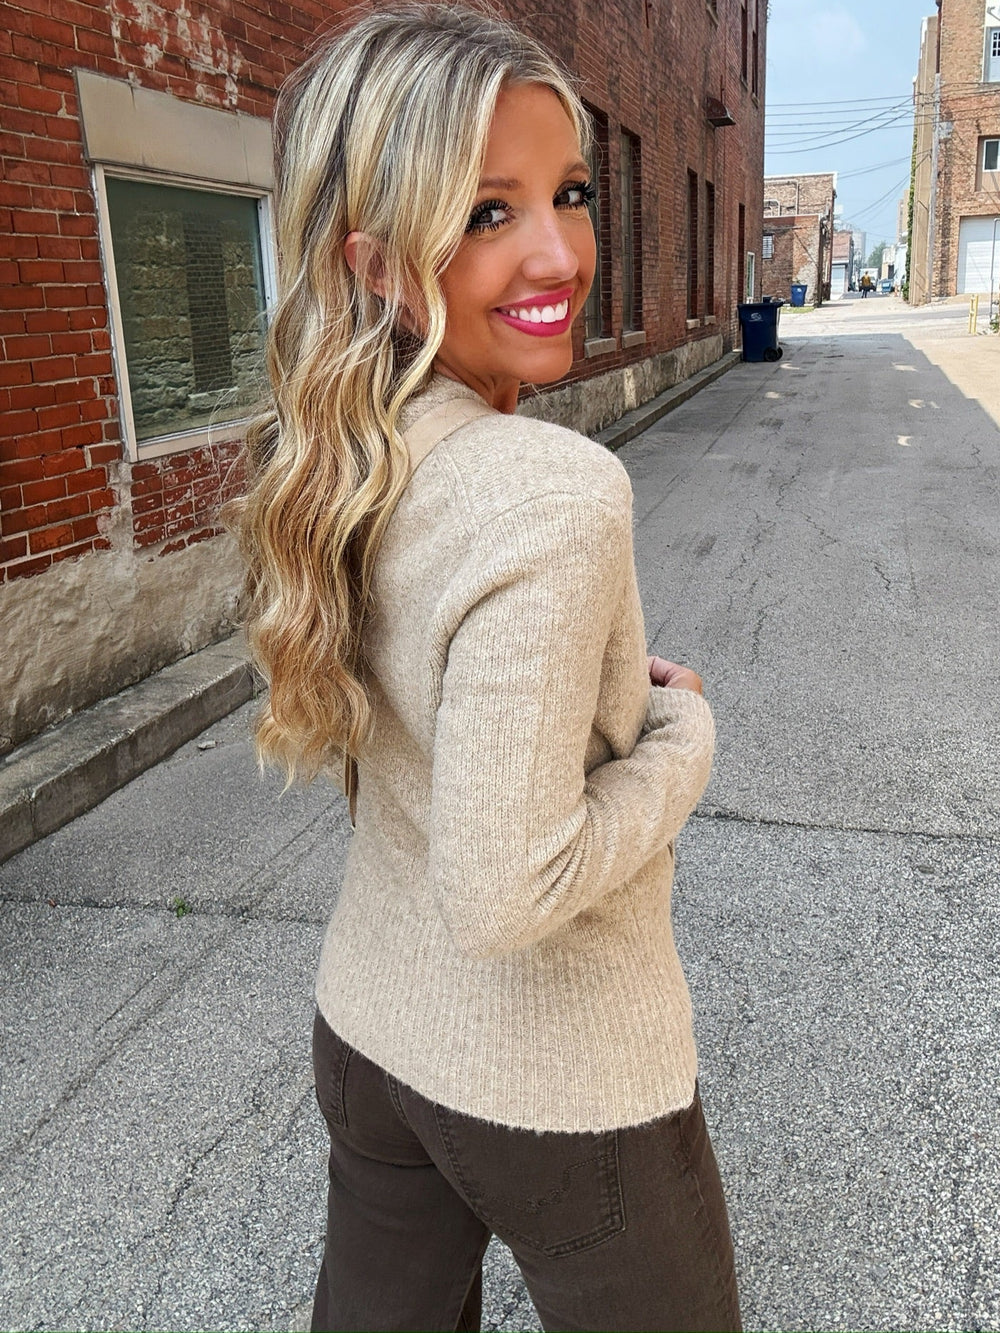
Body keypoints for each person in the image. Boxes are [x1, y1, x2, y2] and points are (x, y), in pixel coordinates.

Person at [229, 5, 740, 1330]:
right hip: (562, 1080)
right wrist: (679, 745)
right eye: (485, 212)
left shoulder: (345, 457)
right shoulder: (549, 492)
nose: (560, 251)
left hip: (373, 1029)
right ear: (378, 263)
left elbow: (433, 711)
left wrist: (593, 697)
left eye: (568, 193)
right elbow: (509, 888)